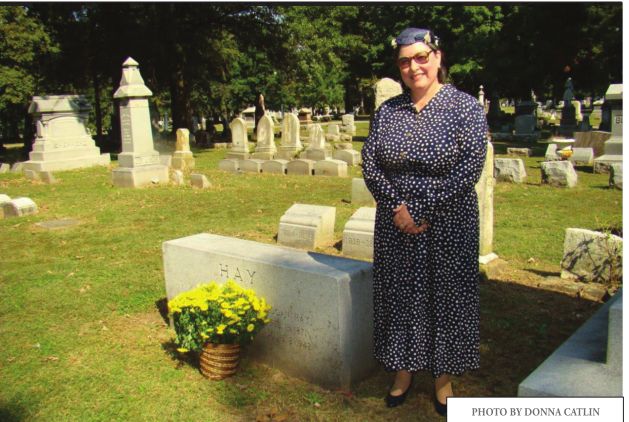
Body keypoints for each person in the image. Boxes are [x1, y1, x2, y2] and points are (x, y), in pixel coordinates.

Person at [361, 27, 488, 417]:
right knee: (400, 298)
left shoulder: (464, 107)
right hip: (395, 223)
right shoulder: (388, 111)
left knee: (446, 298)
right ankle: (403, 370)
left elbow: (470, 167)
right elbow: (370, 163)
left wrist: (422, 209)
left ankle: (443, 379)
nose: (413, 67)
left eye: (421, 57)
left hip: (448, 221)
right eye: (405, 61)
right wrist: (398, 207)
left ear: (437, 57)